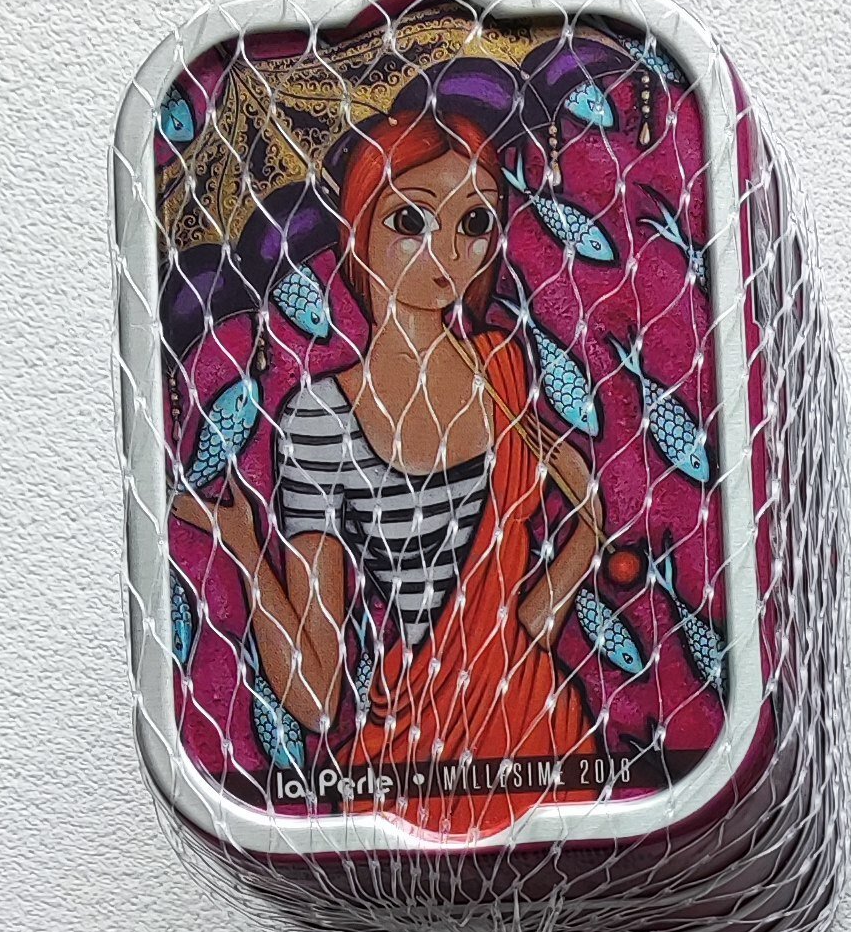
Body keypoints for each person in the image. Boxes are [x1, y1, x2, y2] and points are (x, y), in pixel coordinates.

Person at [174, 103, 606, 825]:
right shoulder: (319, 419)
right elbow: (317, 698)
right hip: (407, 759)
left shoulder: (503, 370)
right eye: (412, 220)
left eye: (475, 222)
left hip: (543, 737)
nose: (449, 252)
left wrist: (588, 533)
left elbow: (512, 635)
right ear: (359, 227)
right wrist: (247, 553)